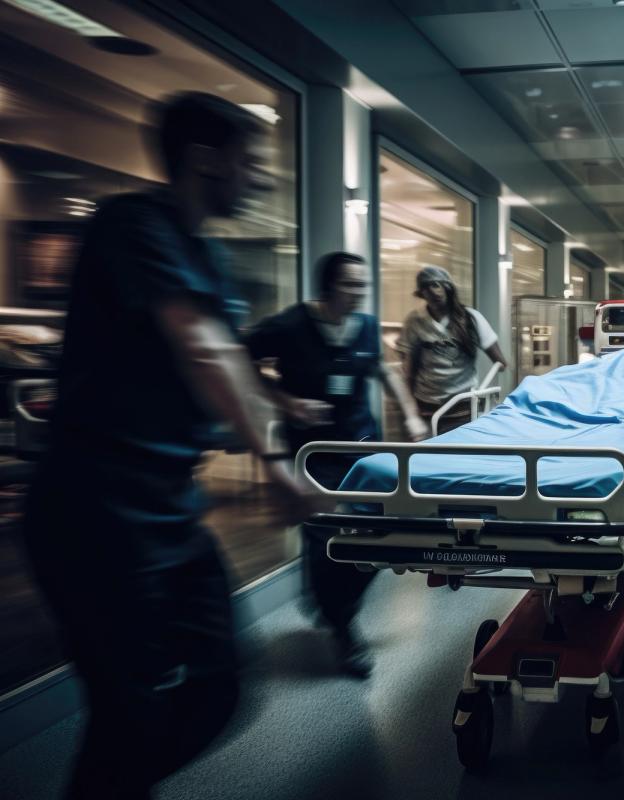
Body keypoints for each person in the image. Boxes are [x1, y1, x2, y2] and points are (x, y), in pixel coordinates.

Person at [21, 92, 318, 799]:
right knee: (128, 713)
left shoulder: (206, 253)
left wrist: (278, 406)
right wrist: (275, 465)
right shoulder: (131, 224)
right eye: (251, 164)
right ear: (205, 159)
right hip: (93, 508)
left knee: (217, 687)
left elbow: (231, 356)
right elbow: (200, 344)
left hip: (168, 508)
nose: (261, 180)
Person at [244, 252, 426, 677]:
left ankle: (332, 602)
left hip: (361, 445)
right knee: (326, 537)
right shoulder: (289, 326)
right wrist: (284, 401)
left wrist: (411, 413)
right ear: (327, 287)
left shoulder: (363, 327)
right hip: (312, 454)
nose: (359, 292)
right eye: (350, 285)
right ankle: (343, 627)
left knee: (385, 532)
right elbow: (239, 360)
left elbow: (386, 371)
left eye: (363, 284)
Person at [400, 266, 508, 433]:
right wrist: (412, 412)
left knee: (459, 455)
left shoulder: (471, 319)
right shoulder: (415, 322)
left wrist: (485, 394)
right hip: (427, 408)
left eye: (436, 284)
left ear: (448, 287)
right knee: (429, 456)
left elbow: (500, 362)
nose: (432, 291)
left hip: (463, 408)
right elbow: (408, 372)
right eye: (426, 287)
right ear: (422, 293)